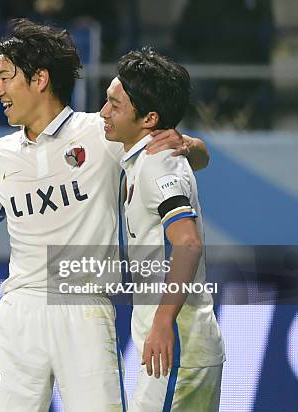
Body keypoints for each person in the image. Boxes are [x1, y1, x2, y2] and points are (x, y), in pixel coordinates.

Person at [0, 19, 209, 412]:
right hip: (18, 312)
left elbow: (188, 160)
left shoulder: (102, 135)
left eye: (4, 78)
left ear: (39, 79)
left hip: (84, 310)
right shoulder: (0, 154)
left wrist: (186, 142)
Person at [101, 47, 225, 411]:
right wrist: (189, 143)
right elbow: (198, 156)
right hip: (174, 347)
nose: (104, 113)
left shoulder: (157, 166)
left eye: (114, 105)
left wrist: (162, 322)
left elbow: (187, 244)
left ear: (149, 119)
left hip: (178, 350)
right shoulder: (151, 154)